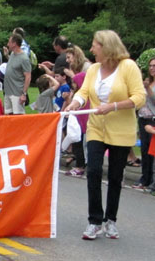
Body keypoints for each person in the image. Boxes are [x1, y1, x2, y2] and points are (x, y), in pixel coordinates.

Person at [66, 30, 145, 240]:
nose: (91, 49)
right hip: (96, 128)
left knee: (115, 176)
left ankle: (111, 220)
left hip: (120, 130)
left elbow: (139, 97)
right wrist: (76, 102)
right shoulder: (93, 69)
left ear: (106, 46)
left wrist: (114, 106)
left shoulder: (128, 66)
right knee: (92, 171)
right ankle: (94, 221)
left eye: (94, 45)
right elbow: (84, 92)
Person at [133, 57, 155, 190]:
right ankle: (144, 177)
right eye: (151, 66)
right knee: (144, 149)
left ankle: (150, 178)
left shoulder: (150, 86)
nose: (152, 68)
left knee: (151, 150)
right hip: (142, 117)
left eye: (154, 66)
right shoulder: (148, 82)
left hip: (152, 119)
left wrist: (148, 89)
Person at [3, 33, 32, 115]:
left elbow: (28, 76)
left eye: (9, 42)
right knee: (8, 116)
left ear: (14, 44)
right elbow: (14, 65)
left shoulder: (24, 58)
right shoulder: (12, 54)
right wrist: (7, 56)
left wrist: (24, 94)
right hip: (8, 92)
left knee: (18, 116)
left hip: (17, 93)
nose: (7, 44)